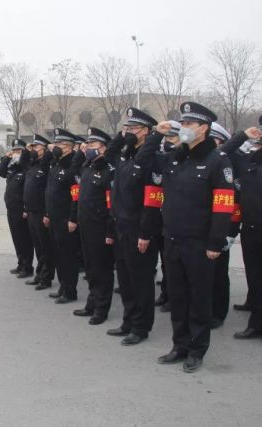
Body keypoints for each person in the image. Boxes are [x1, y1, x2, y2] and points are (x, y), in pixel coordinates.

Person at [136, 102, 234, 373]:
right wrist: (156, 133)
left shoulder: (217, 161)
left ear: (204, 128)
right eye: (184, 123)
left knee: (199, 298)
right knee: (178, 297)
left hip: (200, 243)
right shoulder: (175, 157)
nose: (185, 127)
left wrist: (216, 243)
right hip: (172, 240)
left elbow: (223, 206)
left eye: (190, 124)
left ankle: (197, 349)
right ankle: (179, 345)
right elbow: (142, 160)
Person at [104, 108, 161, 345]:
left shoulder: (151, 158)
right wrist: (121, 135)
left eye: (134, 128)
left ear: (146, 132)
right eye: (127, 127)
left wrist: (146, 233)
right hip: (121, 228)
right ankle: (128, 320)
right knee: (126, 280)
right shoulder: (125, 156)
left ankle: (141, 327)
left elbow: (152, 202)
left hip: (140, 230)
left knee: (141, 281)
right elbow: (108, 155)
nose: (128, 132)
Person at [216, 114, 262, 339]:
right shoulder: (249, 161)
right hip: (252, 229)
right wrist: (243, 135)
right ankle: (256, 320)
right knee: (254, 275)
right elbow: (222, 153)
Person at [71, 127, 115, 326]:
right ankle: (91, 303)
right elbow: (74, 171)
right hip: (86, 225)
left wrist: (109, 231)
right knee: (90, 268)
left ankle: (101, 308)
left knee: (101, 270)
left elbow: (110, 205)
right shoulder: (87, 167)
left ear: (104, 148)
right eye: (87, 144)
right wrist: (80, 154)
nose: (88, 147)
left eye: (93, 145)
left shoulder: (108, 171)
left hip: (100, 228)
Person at [43, 129, 83, 304]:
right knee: (59, 255)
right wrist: (47, 214)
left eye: (59, 144)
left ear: (69, 147)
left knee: (68, 257)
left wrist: (73, 219)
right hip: (54, 217)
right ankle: (62, 286)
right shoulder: (56, 163)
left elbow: (76, 196)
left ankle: (70, 291)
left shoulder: (72, 166)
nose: (55, 147)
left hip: (66, 220)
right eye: (56, 143)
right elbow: (49, 192)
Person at [208, 123, 240, 329]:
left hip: (221, 229)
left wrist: (230, 232)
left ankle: (219, 312)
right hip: (203, 228)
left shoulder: (227, 162)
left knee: (219, 275)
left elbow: (233, 203)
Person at [0, 139, 34, 278]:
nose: (16, 153)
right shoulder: (12, 167)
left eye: (19, 151)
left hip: (21, 209)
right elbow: (0, 171)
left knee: (25, 239)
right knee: (16, 238)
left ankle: (27, 266)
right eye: (15, 150)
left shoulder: (27, 167)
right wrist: (7, 157)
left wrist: (26, 208)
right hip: (11, 208)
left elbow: (28, 191)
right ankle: (20, 263)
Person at [154, 121, 181, 314]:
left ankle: (173, 297)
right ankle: (166, 292)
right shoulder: (164, 159)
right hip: (161, 218)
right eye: (167, 138)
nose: (168, 142)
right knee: (166, 261)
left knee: (175, 265)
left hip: (180, 223)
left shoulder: (184, 161)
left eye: (172, 138)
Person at [23, 134, 55, 291]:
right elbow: (23, 161)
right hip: (31, 211)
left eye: (36, 147)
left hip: (42, 211)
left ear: (44, 149)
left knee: (45, 247)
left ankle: (46, 277)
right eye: (33, 147)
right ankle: (39, 274)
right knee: (37, 246)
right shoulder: (33, 164)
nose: (33, 149)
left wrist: (47, 214)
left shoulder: (46, 165)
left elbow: (47, 191)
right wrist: (28, 151)